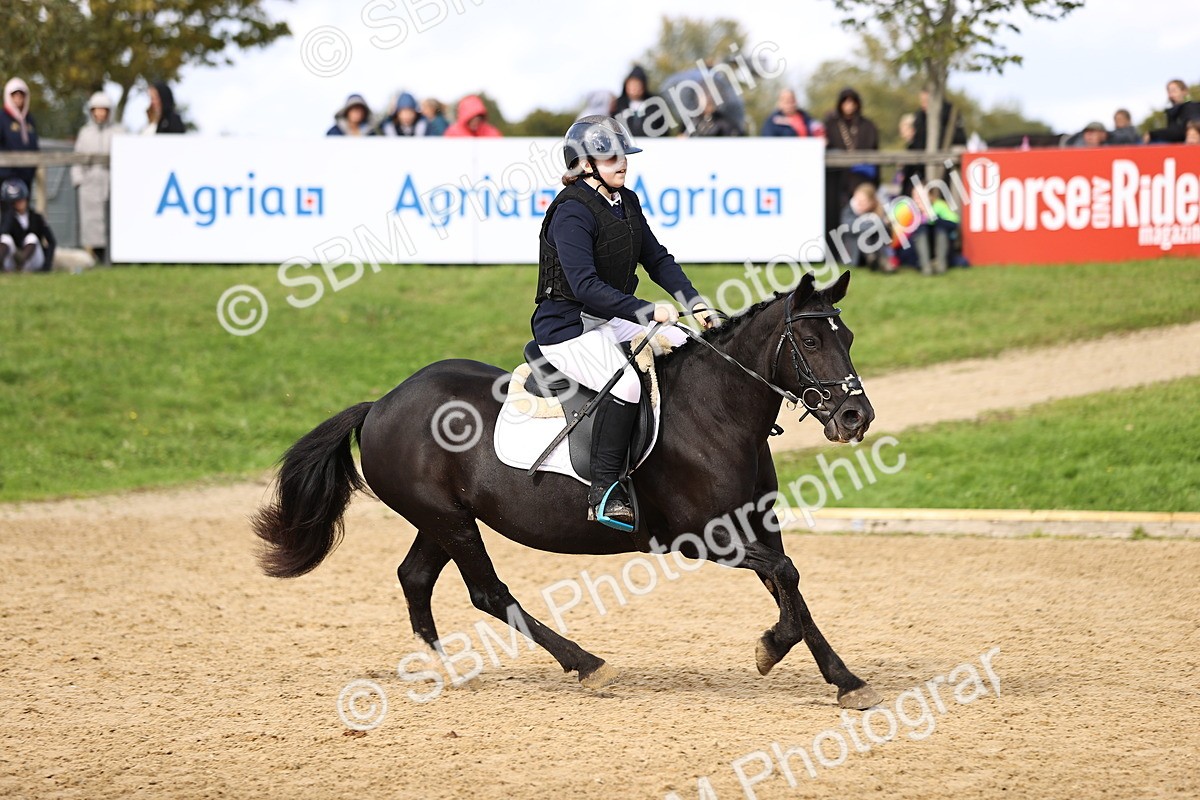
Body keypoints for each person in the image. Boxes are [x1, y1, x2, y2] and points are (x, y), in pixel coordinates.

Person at [533, 116, 716, 530]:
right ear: (583, 164)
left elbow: (657, 259)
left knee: (687, 343)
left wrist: (694, 302)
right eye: (609, 156)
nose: (622, 163)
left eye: (623, 155)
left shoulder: (626, 201)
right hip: (568, 327)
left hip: (609, 318)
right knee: (628, 382)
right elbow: (583, 286)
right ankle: (603, 491)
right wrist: (646, 310)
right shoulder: (570, 213)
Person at [824, 88, 880, 257]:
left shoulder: (867, 126)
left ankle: (866, 254)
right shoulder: (831, 124)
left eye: (852, 102)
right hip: (837, 182)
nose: (849, 106)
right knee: (839, 219)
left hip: (860, 180)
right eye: (845, 102)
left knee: (863, 219)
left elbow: (874, 151)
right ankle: (837, 254)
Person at [71, 91, 123, 264]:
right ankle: (95, 256)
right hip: (90, 185)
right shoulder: (85, 133)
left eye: (103, 110)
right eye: (97, 110)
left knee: (112, 221)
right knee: (91, 224)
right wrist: (79, 181)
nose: (100, 114)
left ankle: (114, 257)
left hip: (111, 184)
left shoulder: (118, 132)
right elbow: (77, 159)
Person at [0, 178, 55, 273]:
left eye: (21, 200)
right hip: (13, 258)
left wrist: (47, 264)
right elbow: (4, 232)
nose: (20, 203)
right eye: (16, 201)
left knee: (31, 237)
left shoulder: (36, 217)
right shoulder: (8, 218)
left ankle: (22, 261)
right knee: (5, 238)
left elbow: (51, 241)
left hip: (33, 259)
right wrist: (10, 215)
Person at [837, 183, 890, 270]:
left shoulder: (879, 211)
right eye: (857, 200)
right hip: (854, 253)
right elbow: (851, 227)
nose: (859, 204)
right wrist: (874, 224)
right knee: (866, 232)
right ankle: (872, 258)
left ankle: (880, 260)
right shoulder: (848, 210)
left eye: (863, 202)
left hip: (875, 247)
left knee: (877, 232)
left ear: (871, 202)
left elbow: (886, 231)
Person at [0, 78, 41, 189]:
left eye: (21, 94)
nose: (18, 98)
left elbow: (34, 145)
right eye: (14, 94)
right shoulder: (2, 118)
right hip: (7, 176)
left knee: (25, 206)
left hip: (27, 175)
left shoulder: (29, 119)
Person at [614, 65, 666, 138]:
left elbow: (664, 129)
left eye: (638, 85)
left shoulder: (654, 104)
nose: (634, 88)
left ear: (643, 86)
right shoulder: (618, 104)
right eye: (632, 84)